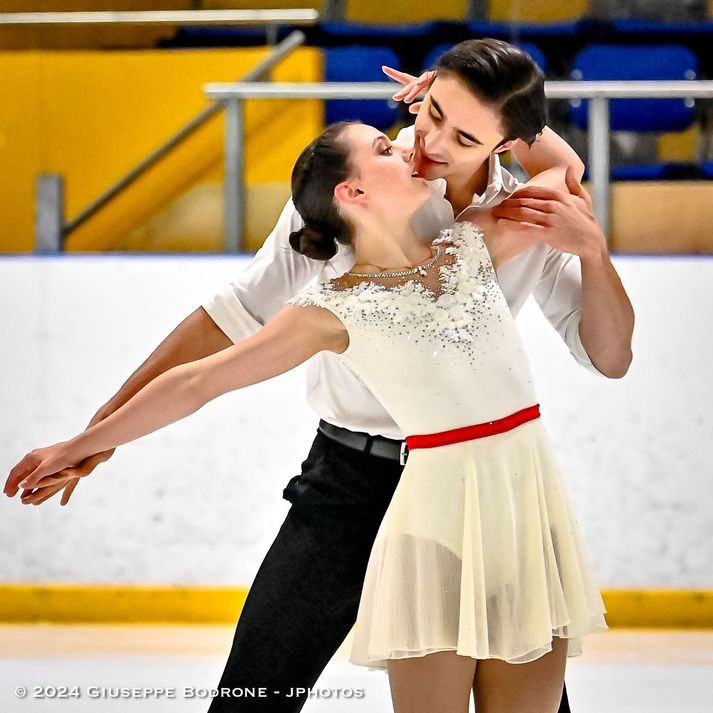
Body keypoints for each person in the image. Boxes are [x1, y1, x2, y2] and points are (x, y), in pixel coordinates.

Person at [6, 40, 634, 713]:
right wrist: (97, 433)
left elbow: (563, 178)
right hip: (352, 480)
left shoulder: (491, 225)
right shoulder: (348, 207)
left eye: (463, 133)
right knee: (254, 692)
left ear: (504, 142)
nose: (423, 143)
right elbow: (217, 342)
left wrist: (573, 219)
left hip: (503, 494)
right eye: (429, 115)